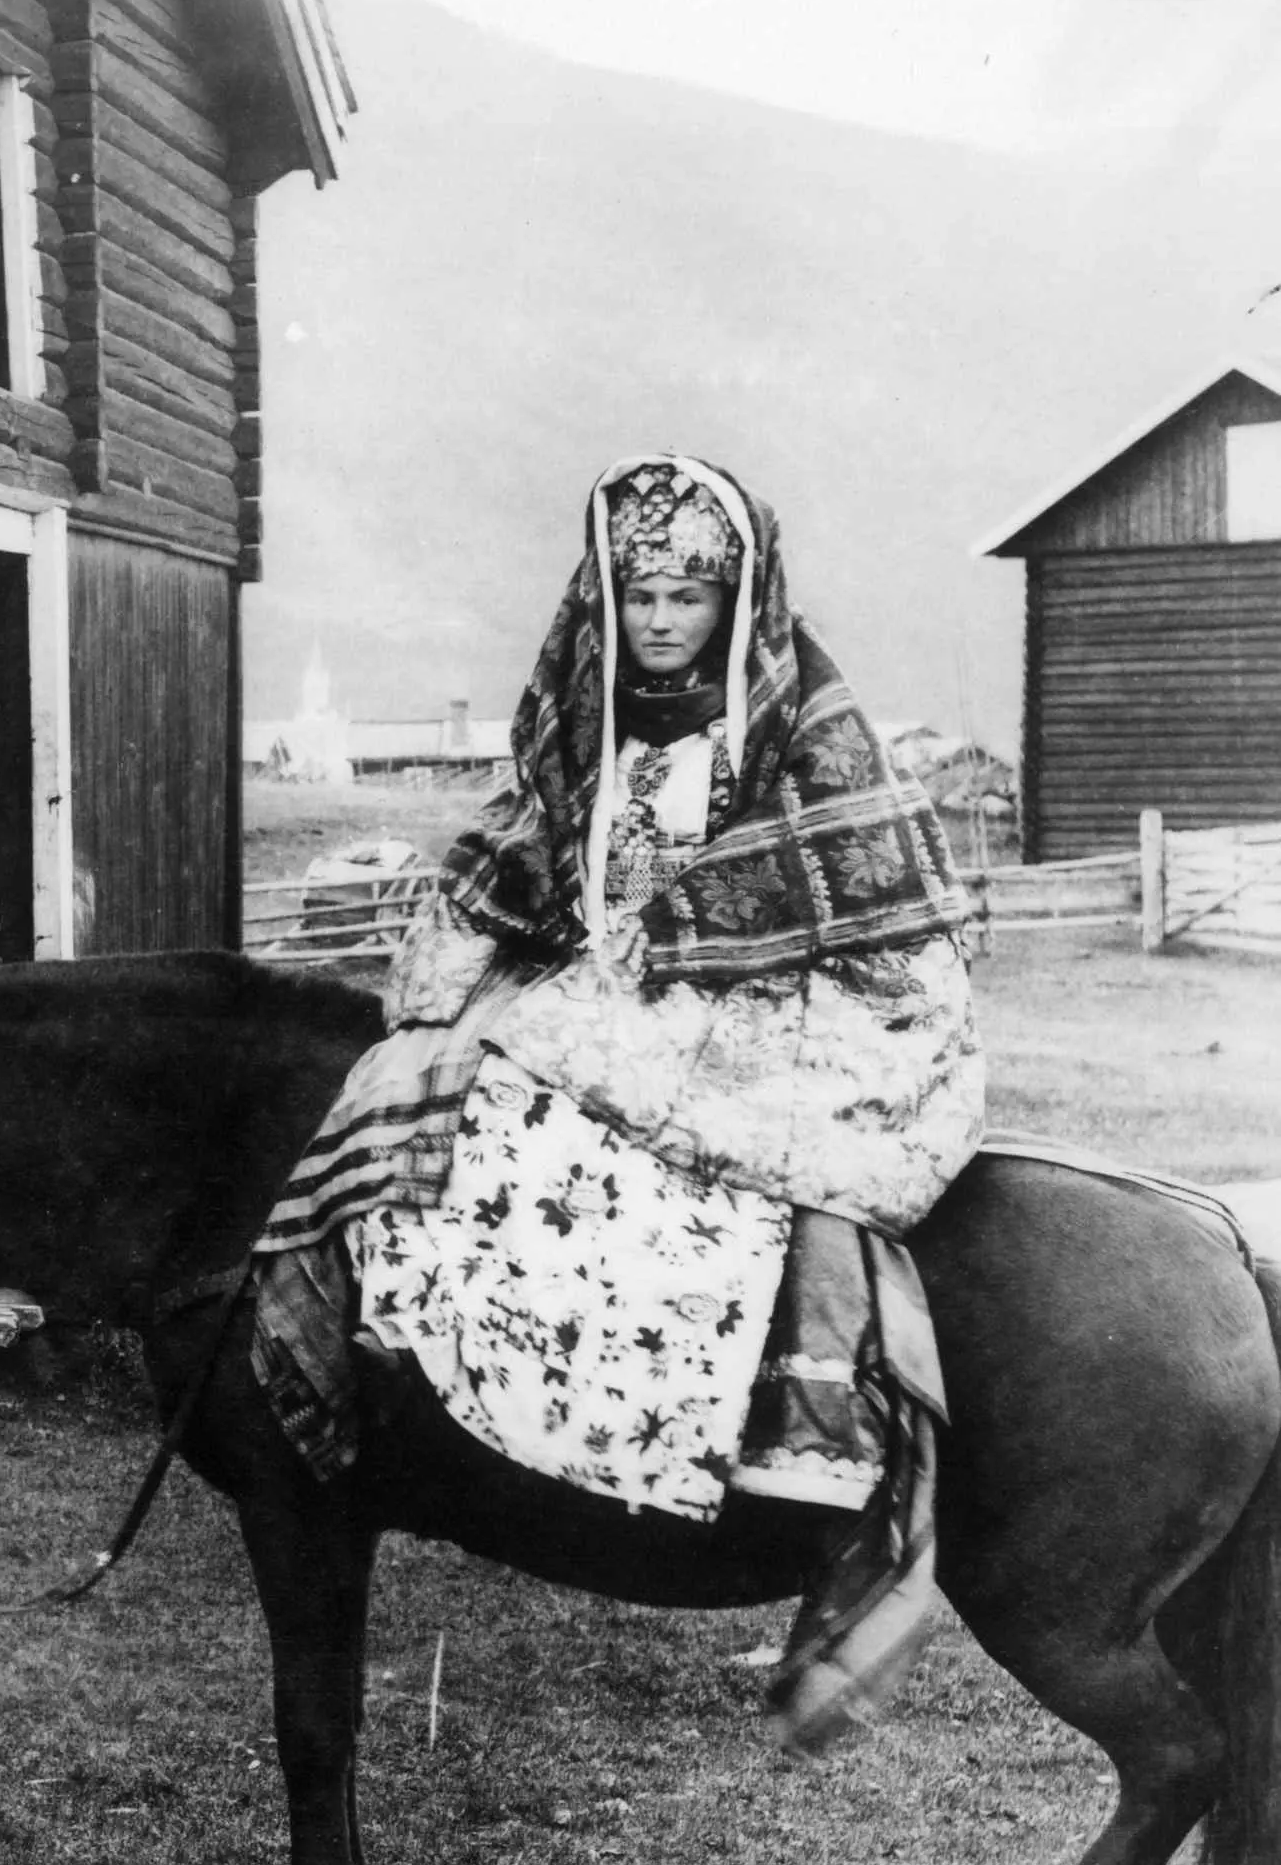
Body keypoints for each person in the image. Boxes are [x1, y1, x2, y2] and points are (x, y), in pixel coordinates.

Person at [254, 452, 985, 1746]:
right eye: (639, 593)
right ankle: (474, 1407)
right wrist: (481, 962)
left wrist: (678, 950)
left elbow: (860, 899)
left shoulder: (798, 726)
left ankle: (756, 1437)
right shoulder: (584, 721)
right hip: (610, 989)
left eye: (688, 596)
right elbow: (522, 858)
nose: (659, 620)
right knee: (436, 1093)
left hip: (783, 1001)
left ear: (734, 602)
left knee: (685, 1156)